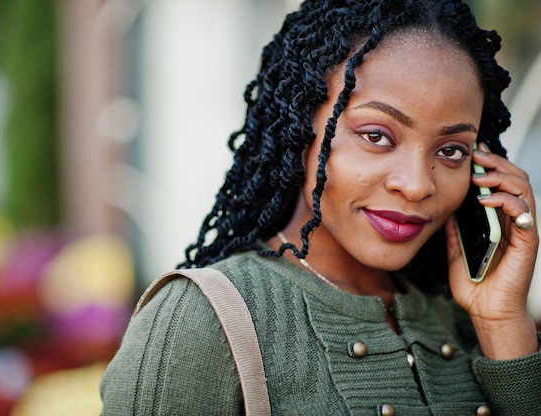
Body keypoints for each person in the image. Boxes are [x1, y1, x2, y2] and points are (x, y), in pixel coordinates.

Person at [100, 0, 540, 414]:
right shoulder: (197, 321)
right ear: (299, 124)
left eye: (451, 151)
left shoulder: (463, 316)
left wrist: (502, 322)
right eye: (376, 135)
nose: (417, 185)